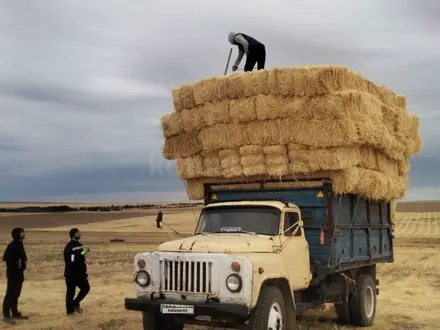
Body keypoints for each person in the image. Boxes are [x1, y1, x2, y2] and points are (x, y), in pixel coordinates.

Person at [2, 227, 29, 325]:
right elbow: (5, 258)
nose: (24, 233)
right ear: (17, 234)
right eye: (22, 232)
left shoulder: (19, 244)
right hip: (13, 274)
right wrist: (16, 263)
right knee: (10, 295)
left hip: (19, 274)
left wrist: (22, 264)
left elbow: (22, 257)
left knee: (16, 294)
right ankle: (6, 316)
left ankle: (15, 313)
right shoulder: (12, 245)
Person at [64, 228, 90, 316]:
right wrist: (82, 253)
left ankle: (75, 303)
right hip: (71, 274)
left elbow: (82, 259)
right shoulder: (69, 247)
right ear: (73, 234)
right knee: (71, 292)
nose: (80, 234)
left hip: (80, 273)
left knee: (86, 288)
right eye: (78, 232)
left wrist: (83, 253)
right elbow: (72, 259)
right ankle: (70, 311)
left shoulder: (80, 245)